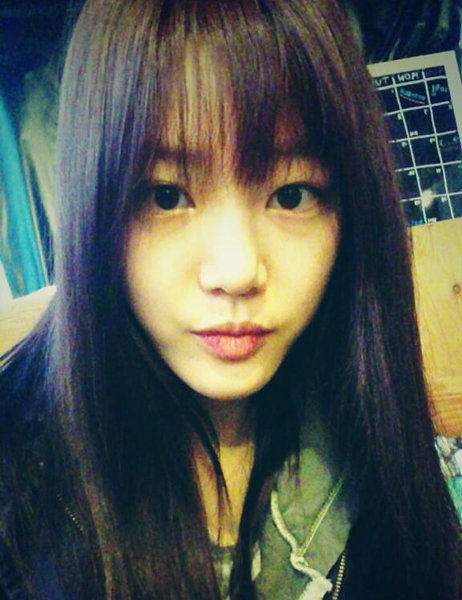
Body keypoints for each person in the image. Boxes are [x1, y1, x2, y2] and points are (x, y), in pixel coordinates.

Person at [0, 0, 460, 599]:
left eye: (291, 195)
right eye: (166, 196)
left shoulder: (384, 453)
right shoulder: (16, 493)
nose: (237, 271)